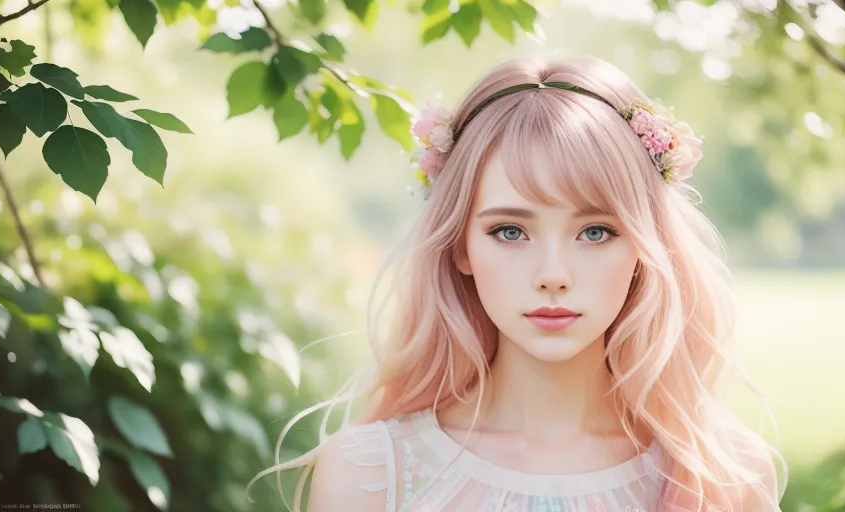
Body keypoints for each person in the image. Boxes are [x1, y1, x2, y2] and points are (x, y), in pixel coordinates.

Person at [248, 53, 788, 512]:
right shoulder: (371, 475)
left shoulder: (724, 477)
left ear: (645, 249)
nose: (553, 274)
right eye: (510, 230)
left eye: (596, 231)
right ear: (461, 246)